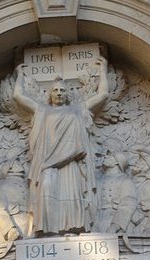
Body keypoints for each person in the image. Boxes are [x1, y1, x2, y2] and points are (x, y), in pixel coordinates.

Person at [12, 62, 108, 235]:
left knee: (71, 194)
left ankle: (73, 228)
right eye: (55, 90)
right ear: (50, 95)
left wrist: (103, 69)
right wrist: (19, 74)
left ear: (68, 95)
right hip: (47, 163)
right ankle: (48, 230)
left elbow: (102, 95)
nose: (59, 93)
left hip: (71, 161)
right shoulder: (42, 110)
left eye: (63, 91)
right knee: (46, 190)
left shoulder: (78, 110)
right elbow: (19, 96)